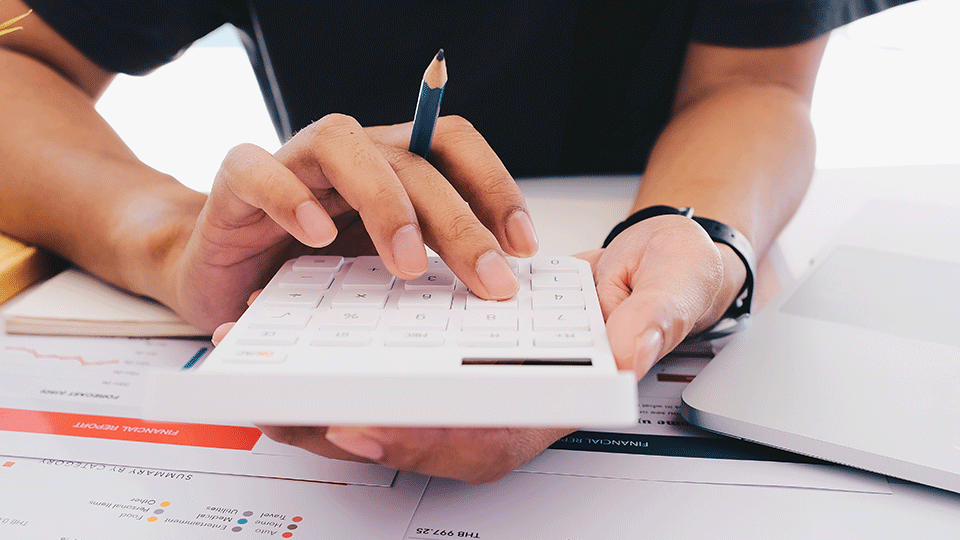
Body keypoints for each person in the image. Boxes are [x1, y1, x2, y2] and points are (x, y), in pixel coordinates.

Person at [0, 1, 911, 483]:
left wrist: (699, 233)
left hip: (640, 223)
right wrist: (168, 241)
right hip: (348, 264)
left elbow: (755, 80)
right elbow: (15, 58)